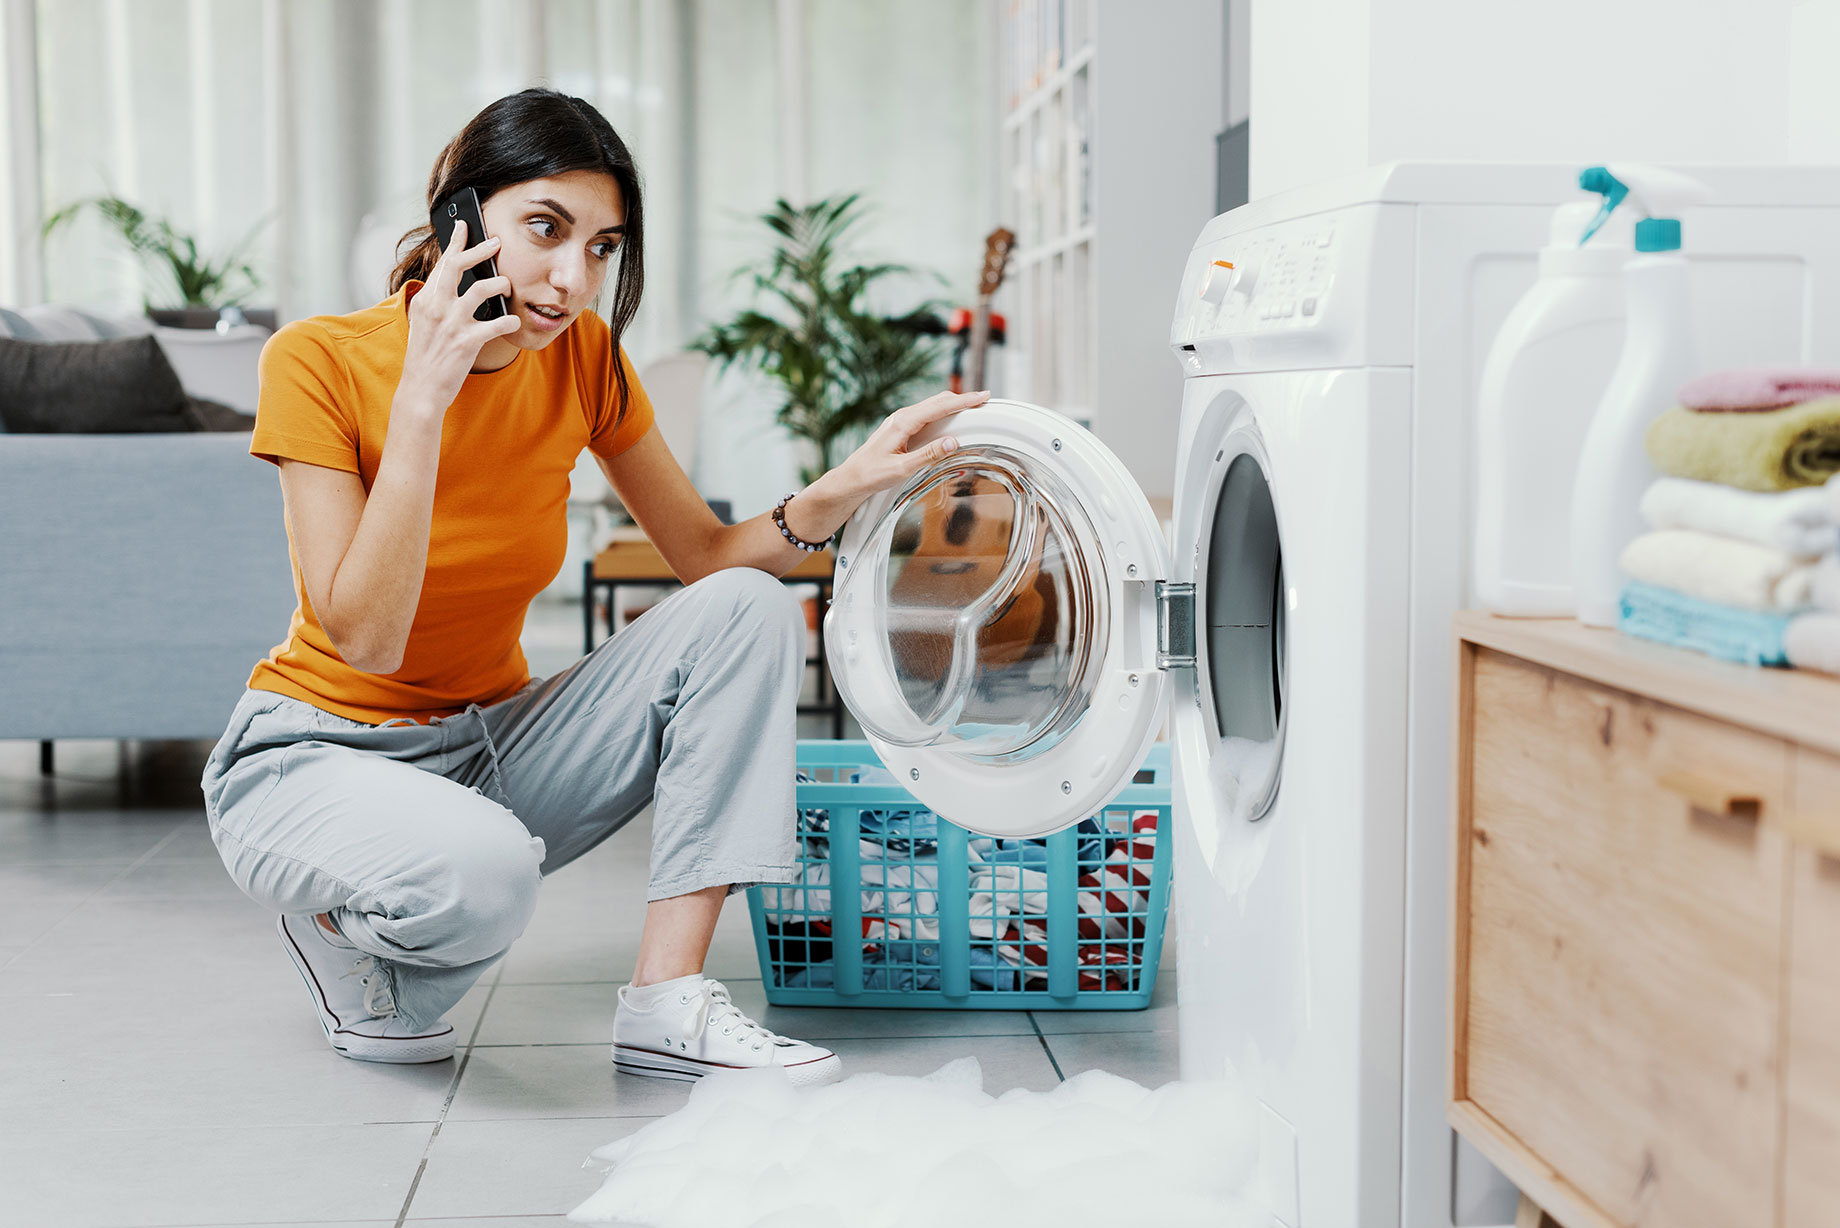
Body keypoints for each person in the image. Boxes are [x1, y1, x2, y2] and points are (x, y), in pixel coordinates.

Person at [199, 88, 985, 1087]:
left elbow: (706, 557)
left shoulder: (583, 360)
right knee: (481, 876)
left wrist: (841, 486)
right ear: (459, 216)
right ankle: (337, 927)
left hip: (487, 746)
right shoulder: (317, 361)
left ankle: (666, 998)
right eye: (544, 229)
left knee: (745, 608)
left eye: (603, 247)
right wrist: (426, 400)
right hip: (307, 759)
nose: (572, 279)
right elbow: (366, 638)